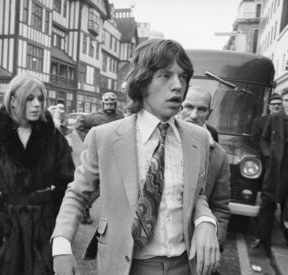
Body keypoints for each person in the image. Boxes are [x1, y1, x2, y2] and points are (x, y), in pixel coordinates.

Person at [52, 39, 220, 275]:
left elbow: (196, 194)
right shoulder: (106, 137)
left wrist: (205, 222)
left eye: (183, 77)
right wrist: (61, 245)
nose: (178, 86)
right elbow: (78, 194)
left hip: (184, 266)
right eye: (165, 75)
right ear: (142, 82)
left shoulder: (198, 138)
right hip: (126, 266)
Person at [0, 73, 75, 275]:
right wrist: (1, 226)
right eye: (30, 98)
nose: (37, 104)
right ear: (13, 100)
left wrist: (53, 219)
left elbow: (69, 183)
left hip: (44, 227)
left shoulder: (54, 137)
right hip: (8, 228)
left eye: (41, 99)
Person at [178, 86, 231, 255]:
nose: (194, 115)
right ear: (179, 105)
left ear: (209, 112)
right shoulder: (156, 140)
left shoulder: (219, 156)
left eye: (201, 109)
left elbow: (220, 207)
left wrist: (214, 242)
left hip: (191, 250)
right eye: (189, 107)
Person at [75, 92, 124, 224]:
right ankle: (84, 207)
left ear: (115, 104)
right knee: (98, 186)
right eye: (106, 103)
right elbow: (79, 124)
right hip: (100, 156)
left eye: (111, 103)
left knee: (116, 186)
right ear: (102, 104)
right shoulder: (95, 117)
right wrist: (90, 142)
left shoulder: (120, 115)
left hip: (116, 156)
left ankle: (115, 215)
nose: (109, 106)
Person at [250, 92, 287, 248]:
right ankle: (261, 236)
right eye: (285, 100)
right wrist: (268, 155)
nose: (281, 105)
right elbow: (262, 139)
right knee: (268, 200)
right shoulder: (274, 120)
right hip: (275, 167)